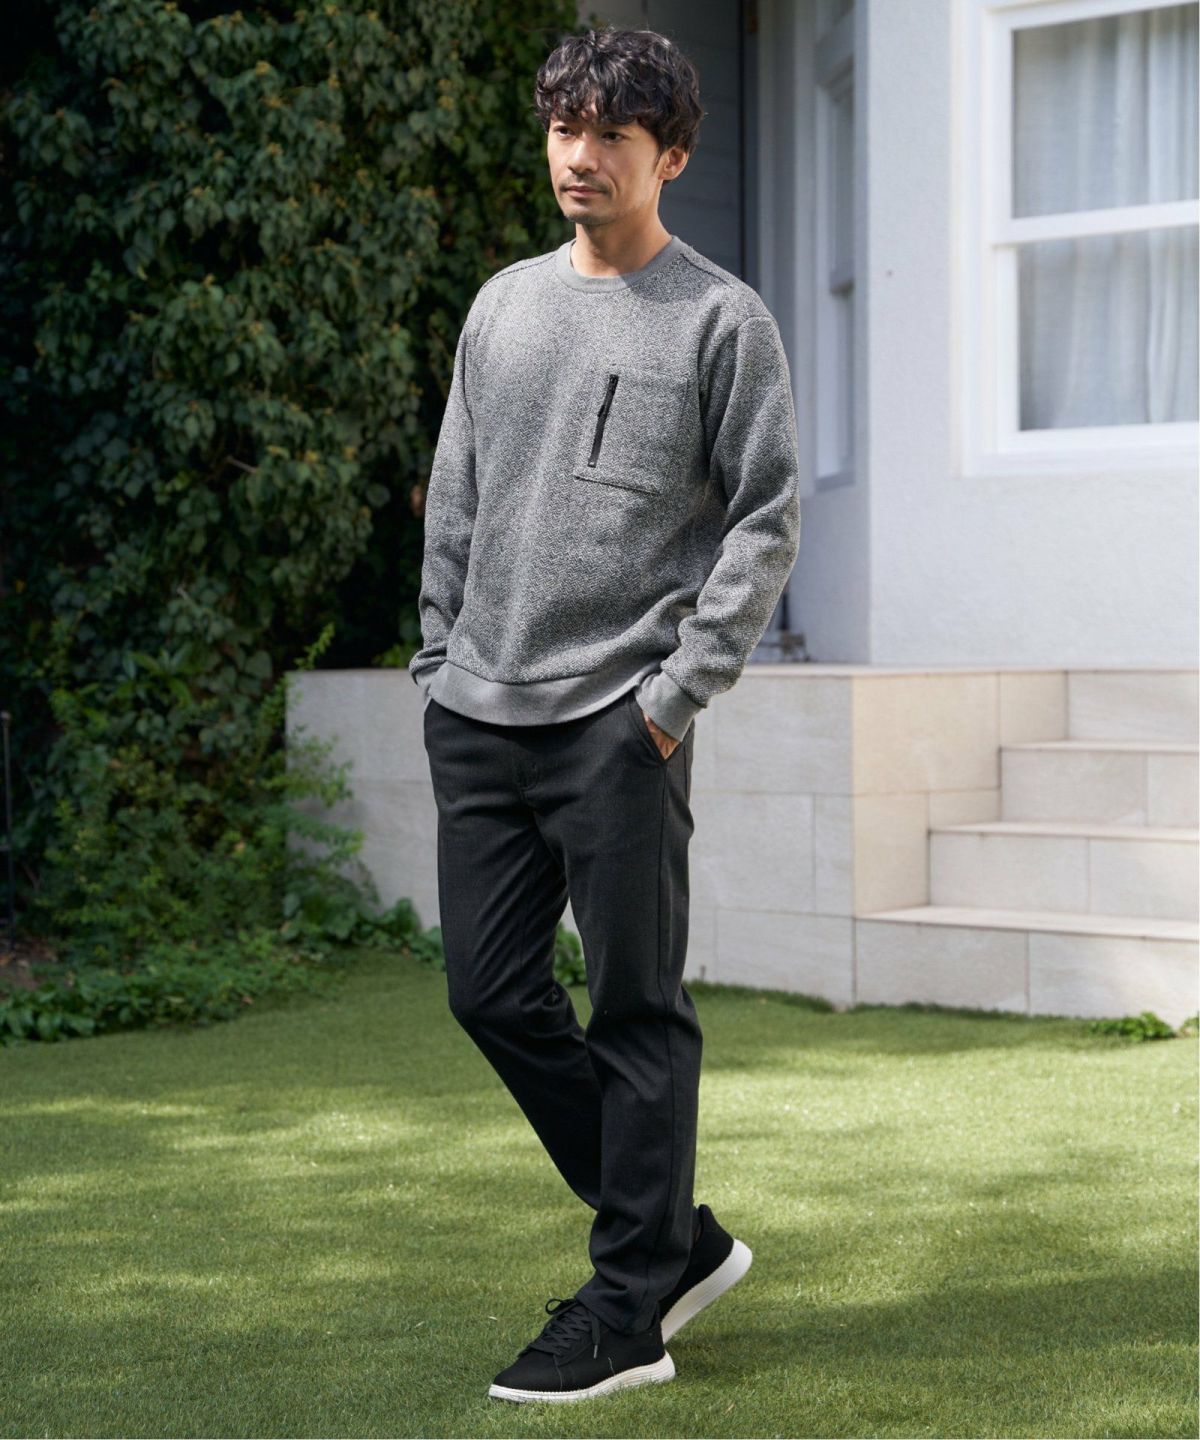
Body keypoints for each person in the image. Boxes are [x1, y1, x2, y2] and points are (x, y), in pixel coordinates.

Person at [411, 24, 801, 1404]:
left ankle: (631, 1307)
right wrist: (436, 659)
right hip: (479, 708)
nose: (579, 157)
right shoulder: (503, 305)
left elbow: (765, 520)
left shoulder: (719, 321)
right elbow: (457, 488)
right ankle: (672, 1235)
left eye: (611, 137)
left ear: (670, 156)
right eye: (564, 129)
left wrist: (674, 696)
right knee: (488, 992)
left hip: (619, 722)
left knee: (637, 1009)